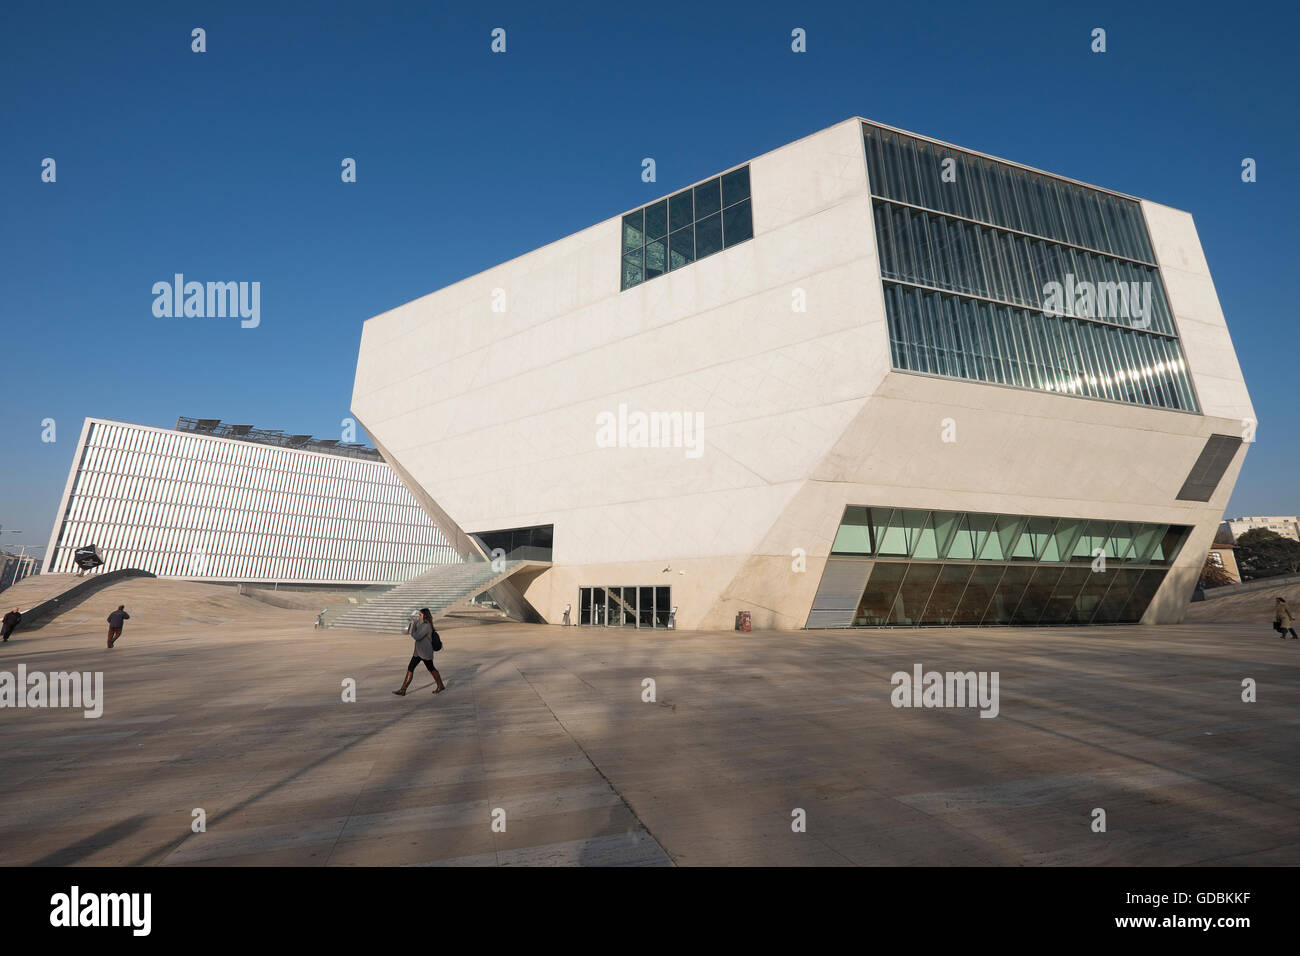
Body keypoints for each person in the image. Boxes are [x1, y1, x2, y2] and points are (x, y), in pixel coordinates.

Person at [393, 607, 445, 696]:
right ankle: (403, 690)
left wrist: (412, 629)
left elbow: (417, 636)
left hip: (425, 651)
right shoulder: (420, 622)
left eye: (420, 615)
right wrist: (412, 620)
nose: (419, 616)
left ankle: (440, 685)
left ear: (425, 615)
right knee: (410, 668)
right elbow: (414, 623)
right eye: (419, 615)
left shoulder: (426, 625)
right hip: (418, 651)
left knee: (431, 668)